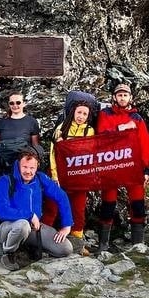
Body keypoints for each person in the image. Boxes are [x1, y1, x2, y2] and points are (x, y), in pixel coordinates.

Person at [0, 145, 73, 270]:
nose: (28, 171)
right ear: (18, 165)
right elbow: (2, 211)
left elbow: (61, 196)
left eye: (32, 168)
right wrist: (29, 215)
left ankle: (28, 247)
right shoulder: (5, 180)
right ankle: (9, 253)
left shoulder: (40, 178)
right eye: (24, 167)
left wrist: (66, 226)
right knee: (23, 225)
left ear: (37, 167)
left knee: (66, 248)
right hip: (7, 227)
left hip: (33, 227)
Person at [94, 82, 149, 251]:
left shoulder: (137, 118)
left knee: (137, 202)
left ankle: (137, 244)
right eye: (119, 95)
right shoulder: (105, 114)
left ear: (130, 97)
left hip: (133, 165)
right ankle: (103, 244)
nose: (122, 98)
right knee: (108, 202)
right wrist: (122, 127)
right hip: (111, 165)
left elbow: (144, 144)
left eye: (125, 95)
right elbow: (102, 136)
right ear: (114, 97)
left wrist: (146, 168)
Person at [0, 90, 42, 234]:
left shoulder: (31, 122)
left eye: (18, 102)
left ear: (24, 103)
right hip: (0, 165)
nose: (15, 105)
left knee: (18, 194)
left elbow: (35, 146)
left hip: (21, 167)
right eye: (12, 103)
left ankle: (23, 225)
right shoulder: (2, 123)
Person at [46, 100, 95, 255]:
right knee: (52, 207)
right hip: (59, 175)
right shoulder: (61, 129)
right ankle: (43, 241)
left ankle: (77, 245)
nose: (81, 116)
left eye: (85, 114)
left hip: (79, 177)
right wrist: (55, 176)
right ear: (73, 112)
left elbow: (91, 155)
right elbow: (53, 153)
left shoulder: (90, 131)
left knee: (78, 209)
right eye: (79, 112)